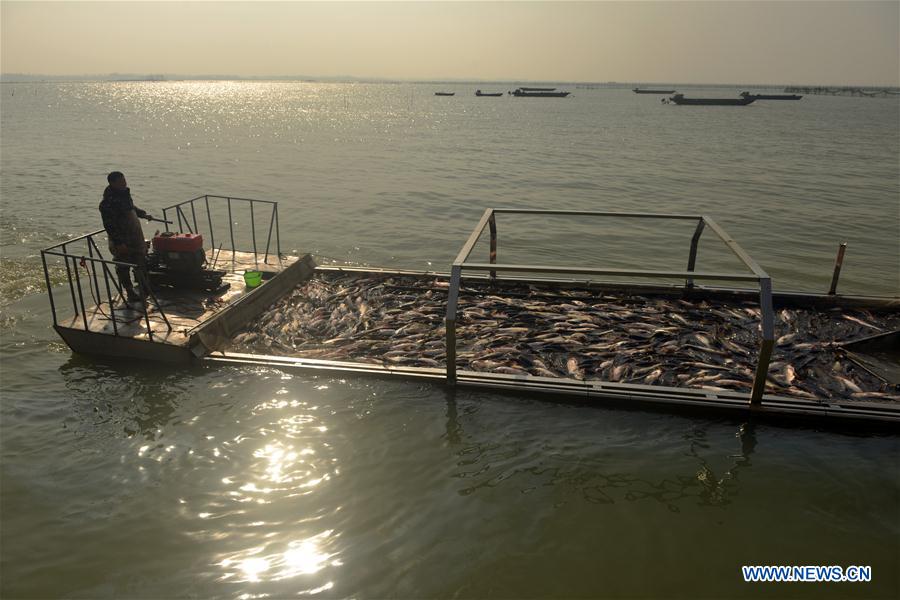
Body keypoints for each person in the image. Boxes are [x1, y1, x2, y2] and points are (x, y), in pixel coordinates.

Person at [99, 171, 154, 303]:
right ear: (112, 183)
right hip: (121, 240)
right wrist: (119, 243)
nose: (124, 183)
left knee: (141, 262)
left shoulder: (124, 194)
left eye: (124, 180)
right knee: (123, 266)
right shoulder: (107, 203)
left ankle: (144, 288)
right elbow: (109, 225)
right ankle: (130, 291)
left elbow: (131, 207)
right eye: (120, 182)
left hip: (135, 236)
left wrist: (142, 214)